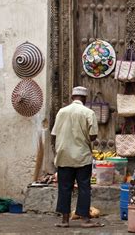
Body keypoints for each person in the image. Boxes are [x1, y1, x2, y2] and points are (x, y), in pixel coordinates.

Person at [51, 86, 103, 228]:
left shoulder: (61, 112)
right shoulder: (88, 112)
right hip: (81, 155)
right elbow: (92, 136)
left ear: (72, 97)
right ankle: (85, 220)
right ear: (85, 98)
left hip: (64, 155)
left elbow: (54, 133)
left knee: (64, 187)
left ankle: (64, 220)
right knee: (84, 187)